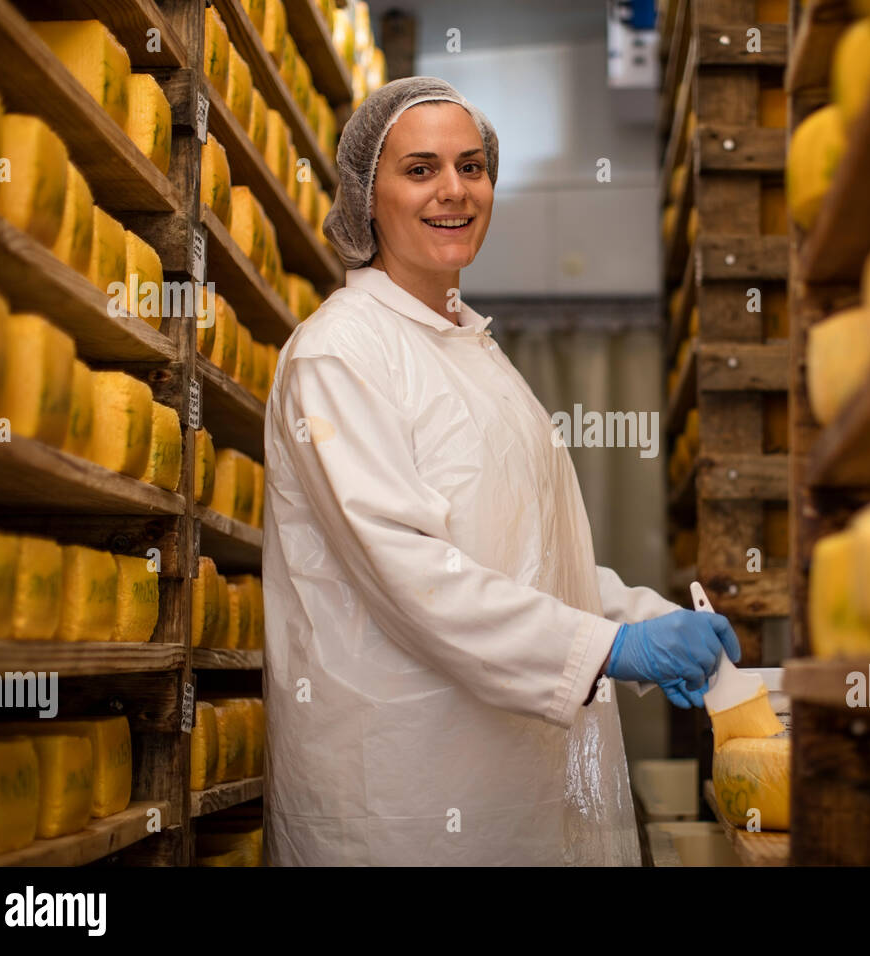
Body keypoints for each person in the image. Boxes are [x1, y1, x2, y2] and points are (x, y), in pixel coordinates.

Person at [262, 77, 740, 865]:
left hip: (508, 786)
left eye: (472, 166)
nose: (454, 190)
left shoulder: (475, 352)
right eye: (420, 170)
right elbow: (413, 574)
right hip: (403, 798)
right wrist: (606, 652)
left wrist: (639, 619)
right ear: (365, 196)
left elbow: (523, 557)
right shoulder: (340, 354)